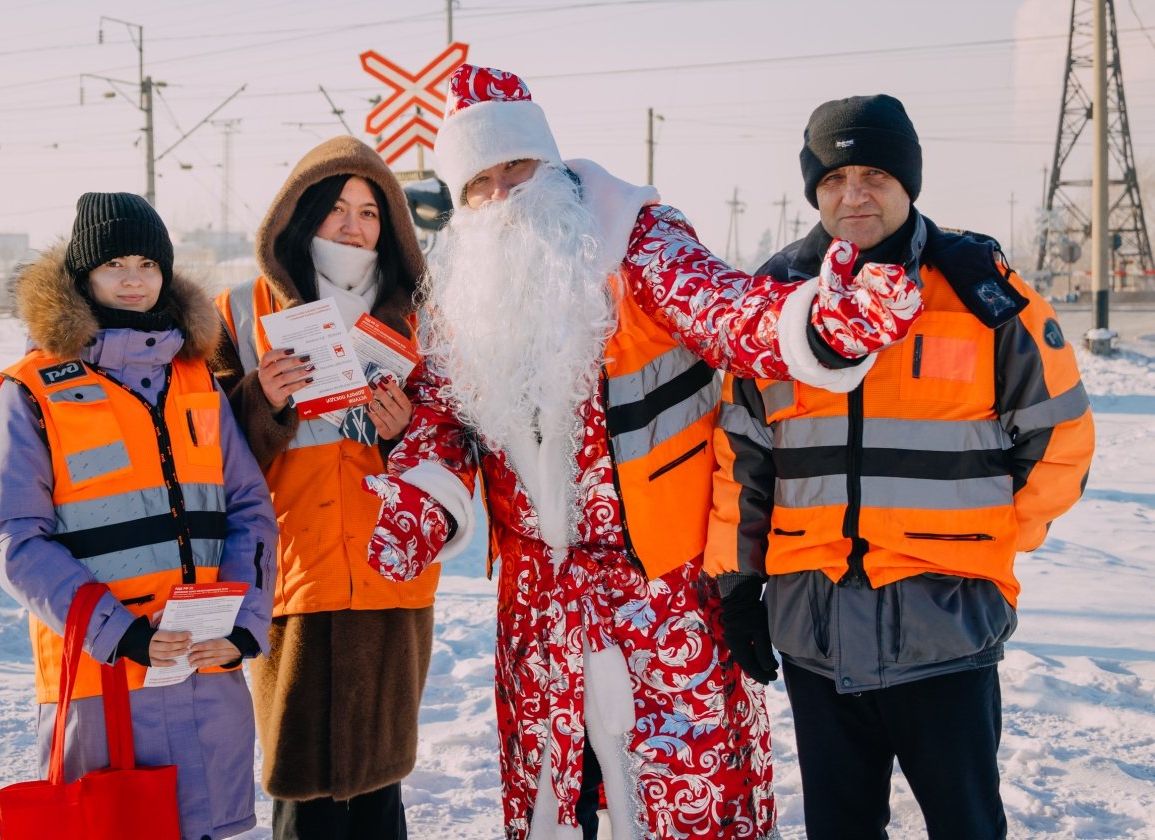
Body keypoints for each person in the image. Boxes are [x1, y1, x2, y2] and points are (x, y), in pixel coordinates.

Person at [359, 64, 925, 840]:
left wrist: (824, 322)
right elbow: (447, 418)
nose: (502, 195)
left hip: (659, 591)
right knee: (556, 800)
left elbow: (727, 310)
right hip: (538, 603)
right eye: (479, 183)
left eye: (514, 168)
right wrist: (423, 500)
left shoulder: (637, 237)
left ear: (550, 164)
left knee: (680, 797)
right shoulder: (466, 294)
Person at [705, 94, 1096, 839]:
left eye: (875, 174)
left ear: (909, 180)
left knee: (967, 826)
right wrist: (740, 583)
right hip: (814, 631)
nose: (854, 195)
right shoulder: (776, 305)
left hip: (943, 635)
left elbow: (1063, 439)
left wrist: (984, 547)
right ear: (813, 187)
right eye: (834, 177)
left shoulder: (983, 295)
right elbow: (742, 461)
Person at [0, 192, 279, 840]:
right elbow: (12, 538)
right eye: (116, 263)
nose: (135, 276)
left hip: (206, 669)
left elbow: (250, 510)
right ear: (83, 275)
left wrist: (247, 626)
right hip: (104, 678)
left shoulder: (197, 378)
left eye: (148, 262)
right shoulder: (32, 391)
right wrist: (122, 632)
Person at [208, 135, 430, 840]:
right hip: (291, 572)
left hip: (390, 577)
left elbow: (460, 448)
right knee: (300, 795)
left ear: (390, 225)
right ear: (300, 214)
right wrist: (259, 401)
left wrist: (403, 435)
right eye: (336, 207)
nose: (353, 225)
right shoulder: (238, 309)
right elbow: (199, 449)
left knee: (379, 789)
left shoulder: (423, 317)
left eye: (369, 211)